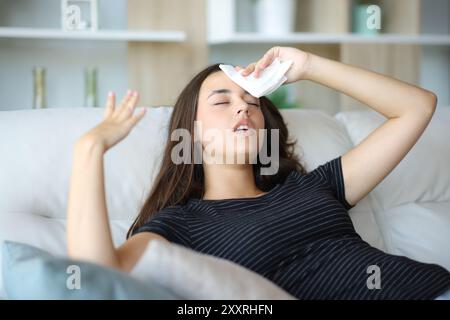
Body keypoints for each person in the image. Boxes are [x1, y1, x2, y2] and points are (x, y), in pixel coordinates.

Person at [66, 46, 450, 299]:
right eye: (223, 100)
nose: (243, 109)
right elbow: (98, 275)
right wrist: (89, 149)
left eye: (253, 102)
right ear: (191, 132)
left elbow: (417, 107)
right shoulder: (178, 227)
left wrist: (309, 66)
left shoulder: (313, 187)